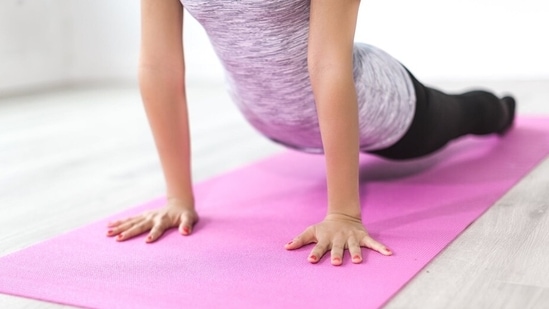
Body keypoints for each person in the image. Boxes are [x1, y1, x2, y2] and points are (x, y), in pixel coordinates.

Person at [106, 0, 515, 266]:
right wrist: (179, 198)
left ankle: (499, 110)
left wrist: (343, 214)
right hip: (272, 117)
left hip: (381, 107)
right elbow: (159, 68)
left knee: (468, 112)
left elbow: (329, 65)